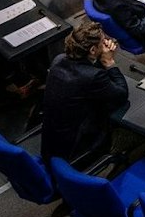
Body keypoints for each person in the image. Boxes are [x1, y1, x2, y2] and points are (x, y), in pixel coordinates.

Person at [40, 17, 131, 164]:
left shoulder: (59, 60)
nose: (107, 42)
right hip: (80, 147)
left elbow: (88, 73)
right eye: (103, 41)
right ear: (93, 50)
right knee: (138, 136)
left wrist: (99, 58)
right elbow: (121, 94)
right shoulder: (93, 77)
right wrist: (109, 63)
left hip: (54, 143)